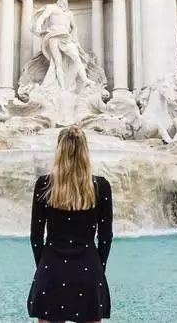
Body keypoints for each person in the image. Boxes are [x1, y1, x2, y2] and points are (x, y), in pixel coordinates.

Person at [27, 125, 113, 323]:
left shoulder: (44, 184)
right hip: (88, 267)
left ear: (59, 151)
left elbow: (36, 236)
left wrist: (42, 266)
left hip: (51, 268)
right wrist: (99, 268)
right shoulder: (101, 186)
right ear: (85, 151)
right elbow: (106, 237)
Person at [33, 0, 94, 91]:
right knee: (58, 63)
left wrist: (75, 40)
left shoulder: (69, 13)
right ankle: (62, 88)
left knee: (76, 57)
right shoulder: (51, 7)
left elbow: (74, 27)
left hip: (66, 38)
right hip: (53, 36)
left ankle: (85, 80)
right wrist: (38, 25)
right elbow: (43, 17)